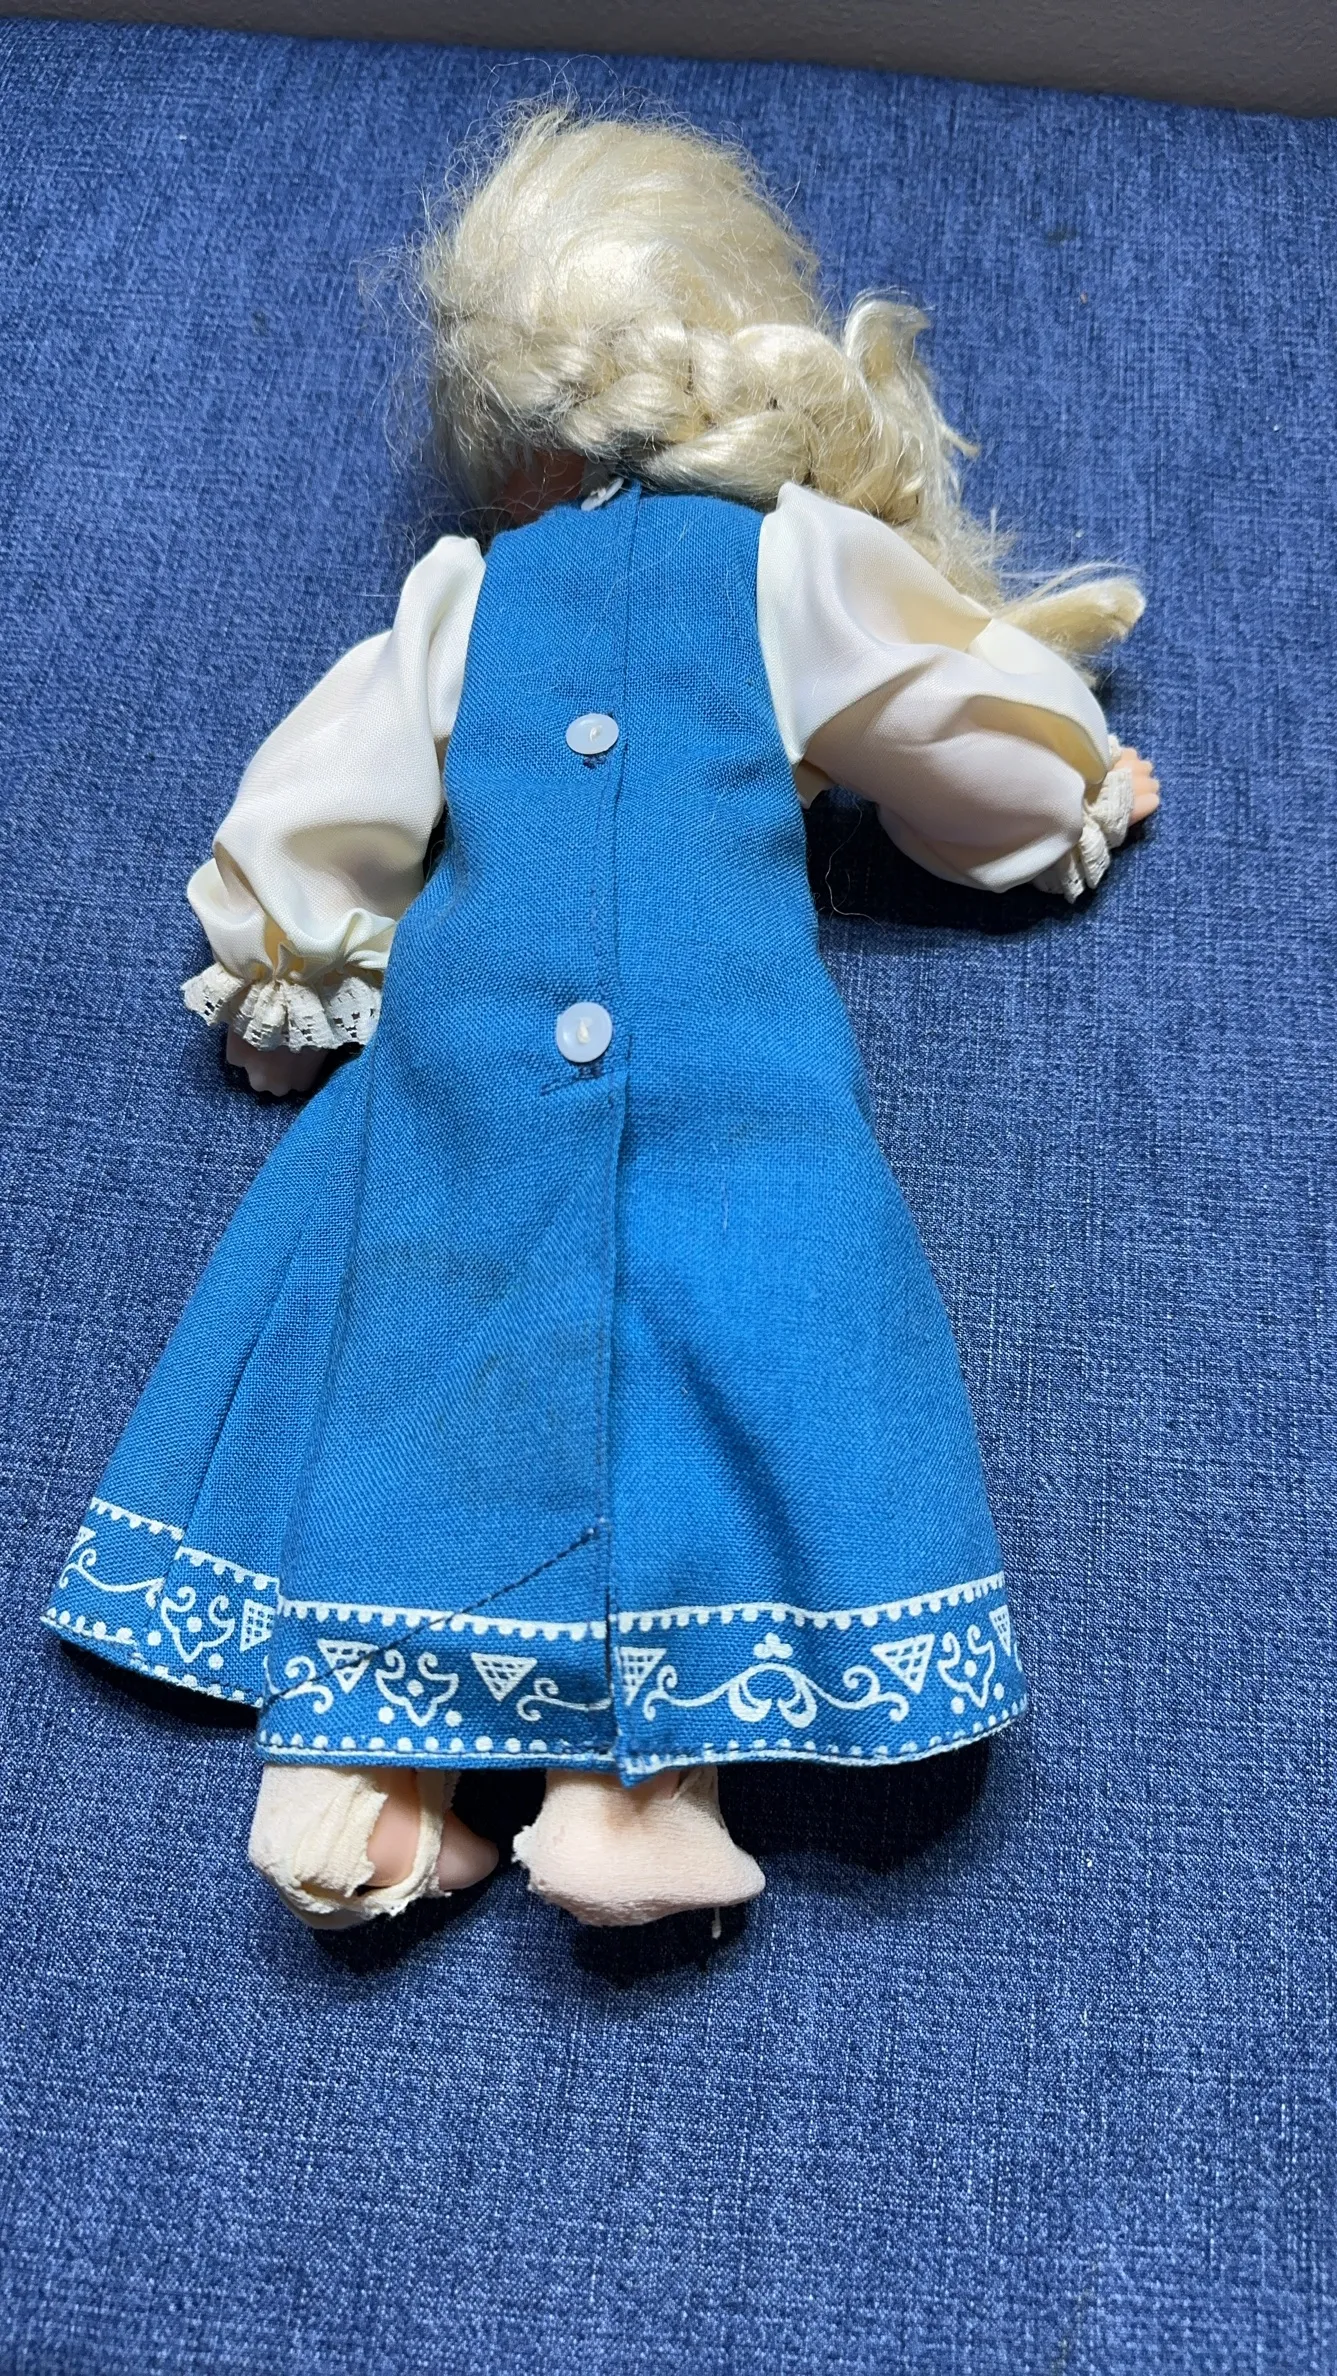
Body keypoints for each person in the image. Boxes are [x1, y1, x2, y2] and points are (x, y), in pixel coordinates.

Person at [48, 109, 1158, 1931]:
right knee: (735, 1349)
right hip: (731, 1077)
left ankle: (362, 1784)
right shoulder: (793, 568)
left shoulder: (465, 596)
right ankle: (626, 1799)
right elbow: (951, 734)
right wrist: (1061, 800)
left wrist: (292, 976)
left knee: (425, 1358)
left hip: (459, 1078)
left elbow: (323, 801)